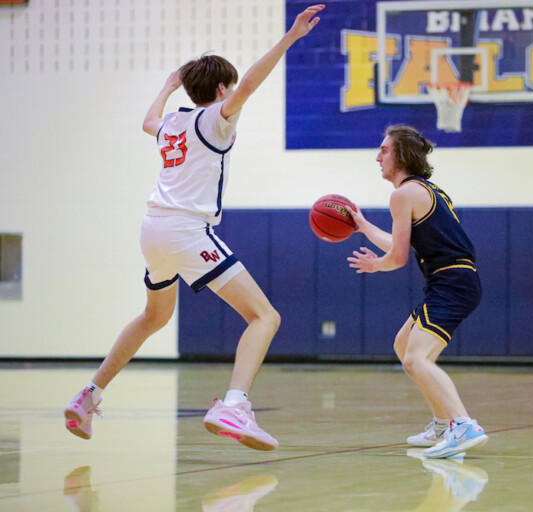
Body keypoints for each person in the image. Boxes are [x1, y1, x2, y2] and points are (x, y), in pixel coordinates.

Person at [63, 4, 326, 450]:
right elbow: (250, 83)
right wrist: (290, 38)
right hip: (185, 230)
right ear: (222, 88)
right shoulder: (215, 117)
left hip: (152, 230)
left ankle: (89, 396)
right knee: (265, 316)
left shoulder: (173, 124)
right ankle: (234, 405)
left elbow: (148, 121)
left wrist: (167, 86)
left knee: (153, 316)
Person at [347, 125, 488, 459]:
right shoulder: (423, 190)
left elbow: (395, 258)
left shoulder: (403, 194)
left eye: (384, 150)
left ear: (402, 155)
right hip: (452, 280)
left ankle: (463, 424)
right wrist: (363, 226)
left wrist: (375, 265)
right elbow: (402, 246)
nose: (378, 156)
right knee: (403, 344)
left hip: (452, 282)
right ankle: (442, 423)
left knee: (416, 357)